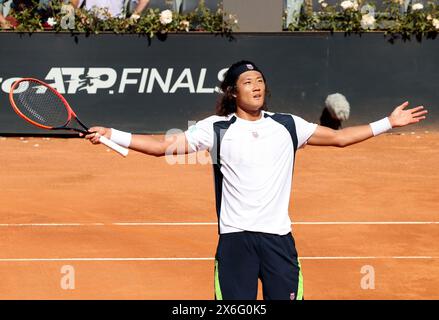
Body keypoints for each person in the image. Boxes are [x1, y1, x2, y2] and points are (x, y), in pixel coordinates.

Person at [84, 60, 428, 300]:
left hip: (279, 241)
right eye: (248, 82)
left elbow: (339, 138)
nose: (257, 86)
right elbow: (161, 147)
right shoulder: (215, 128)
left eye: (260, 81)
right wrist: (114, 133)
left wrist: (388, 123)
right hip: (236, 243)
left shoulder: (288, 125)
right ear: (233, 92)